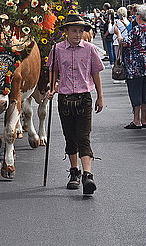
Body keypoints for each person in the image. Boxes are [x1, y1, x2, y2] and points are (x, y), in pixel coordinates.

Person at [46, 14, 103, 195]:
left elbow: (95, 73)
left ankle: (88, 175)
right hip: (64, 99)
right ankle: (74, 172)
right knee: (70, 137)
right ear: (66, 32)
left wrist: (100, 96)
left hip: (84, 98)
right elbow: (53, 69)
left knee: (83, 137)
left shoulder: (91, 49)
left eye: (80, 31)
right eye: (74, 31)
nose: (78, 34)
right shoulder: (56, 49)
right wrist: (52, 87)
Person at [115, 5, 146, 129]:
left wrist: (118, 34)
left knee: (135, 91)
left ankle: (136, 120)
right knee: (145, 92)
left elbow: (124, 43)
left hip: (135, 65)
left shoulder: (136, 29)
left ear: (139, 16)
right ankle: (144, 119)